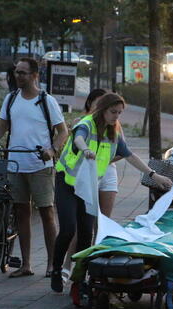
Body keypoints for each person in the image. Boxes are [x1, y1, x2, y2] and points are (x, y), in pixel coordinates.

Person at [50, 93, 173, 309]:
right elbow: (78, 138)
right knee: (69, 228)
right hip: (67, 182)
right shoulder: (87, 124)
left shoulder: (113, 131)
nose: (116, 117)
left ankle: (80, 281)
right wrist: (85, 148)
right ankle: (57, 270)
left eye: (119, 113)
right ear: (103, 110)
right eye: (113, 112)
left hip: (86, 186)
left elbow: (130, 156)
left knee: (87, 233)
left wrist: (154, 176)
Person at [0, 57, 68, 278]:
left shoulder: (46, 100)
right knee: (21, 212)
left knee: (47, 212)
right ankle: (27, 264)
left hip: (40, 164)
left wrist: (52, 150)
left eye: (23, 73)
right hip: (15, 163)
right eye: (16, 72)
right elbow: (2, 126)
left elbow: (63, 131)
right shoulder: (11, 99)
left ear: (34, 75)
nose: (18, 76)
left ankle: (52, 264)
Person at [61, 88, 111, 281]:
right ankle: (68, 263)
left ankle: (95, 270)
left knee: (103, 224)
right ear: (89, 104)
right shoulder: (82, 124)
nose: (101, 108)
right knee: (83, 225)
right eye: (98, 103)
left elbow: (121, 150)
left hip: (106, 173)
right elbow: (77, 142)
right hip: (86, 175)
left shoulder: (113, 123)